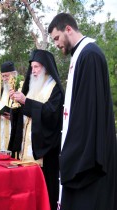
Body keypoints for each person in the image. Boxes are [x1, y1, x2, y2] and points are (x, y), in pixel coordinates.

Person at [48, 13, 117, 210]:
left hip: (89, 161)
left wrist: (70, 157)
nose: (56, 44)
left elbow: (88, 114)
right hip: (83, 154)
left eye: (56, 38)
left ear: (68, 29)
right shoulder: (80, 55)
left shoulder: (90, 55)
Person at [9, 50, 64, 210]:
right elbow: (27, 114)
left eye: (37, 67)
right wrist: (16, 106)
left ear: (46, 68)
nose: (33, 71)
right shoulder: (32, 87)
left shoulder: (55, 89)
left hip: (45, 155)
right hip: (25, 153)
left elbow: (51, 114)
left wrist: (26, 101)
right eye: (32, 67)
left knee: (44, 195)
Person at [0, 61, 17, 151]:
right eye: (3, 76)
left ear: (14, 75)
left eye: (7, 75)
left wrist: (13, 117)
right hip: (2, 131)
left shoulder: (20, 89)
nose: (5, 78)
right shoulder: (2, 90)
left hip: (13, 131)